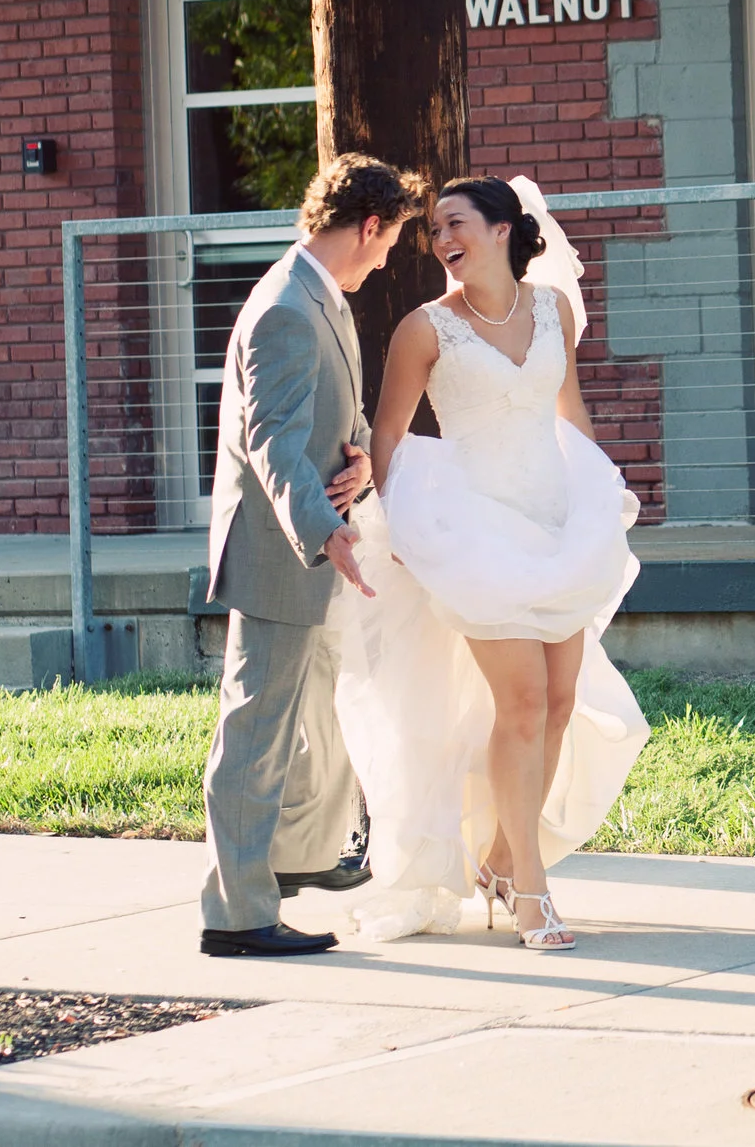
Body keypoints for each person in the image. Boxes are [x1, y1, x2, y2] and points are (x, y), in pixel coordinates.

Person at [337, 175, 648, 949]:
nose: (443, 238)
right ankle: (535, 894)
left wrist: (599, 486)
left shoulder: (554, 309)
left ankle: (505, 859)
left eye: (457, 222)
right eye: (436, 227)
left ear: (505, 228)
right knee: (521, 701)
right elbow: (390, 436)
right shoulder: (425, 328)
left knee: (560, 701)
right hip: (472, 530)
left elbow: (566, 408)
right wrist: (400, 526)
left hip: (554, 520)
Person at [196, 153, 427, 959]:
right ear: (369, 225)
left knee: (310, 719)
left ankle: (292, 861)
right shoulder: (285, 309)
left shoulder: (318, 297)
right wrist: (323, 529)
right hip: (279, 551)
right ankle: (237, 914)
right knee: (256, 731)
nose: (390, 255)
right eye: (392, 239)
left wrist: (359, 457)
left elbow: (331, 418)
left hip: (316, 544)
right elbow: (272, 444)